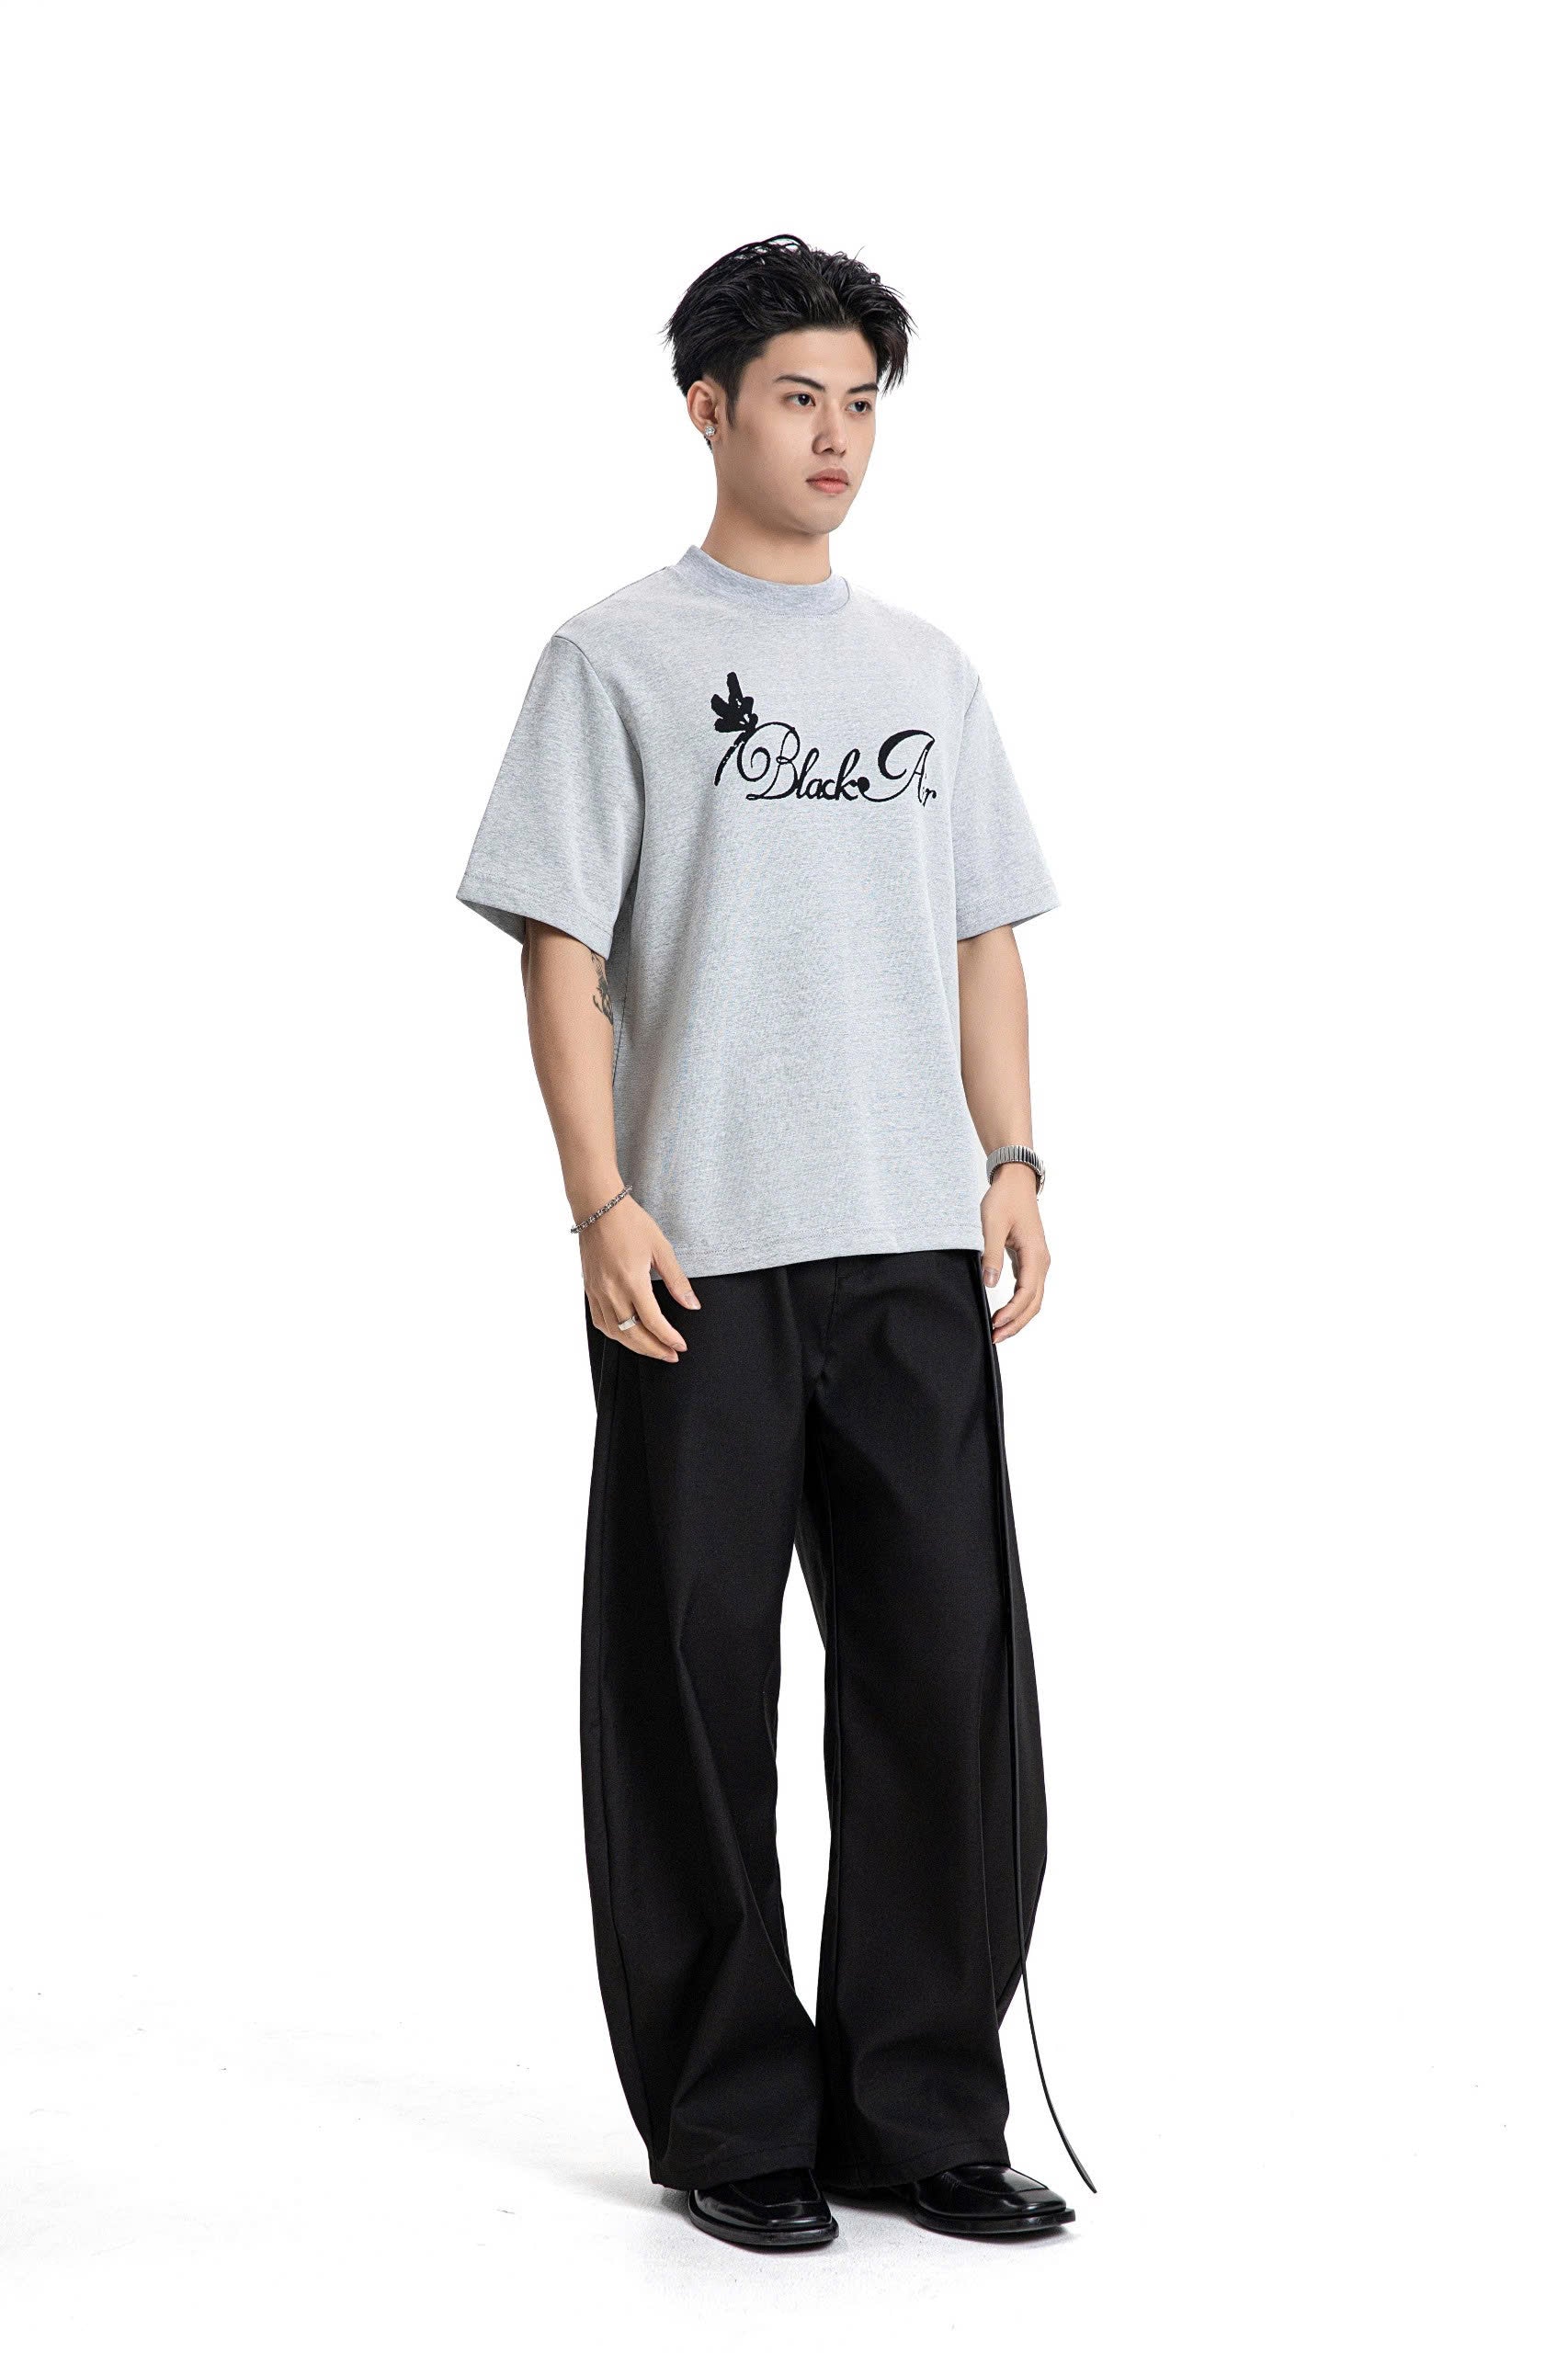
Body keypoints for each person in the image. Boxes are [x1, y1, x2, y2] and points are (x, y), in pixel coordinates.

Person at [455, 233, 1095, 2251]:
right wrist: (599, 1199)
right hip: (699, 1254)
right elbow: (561, 953)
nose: (836, 436)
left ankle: (917, 2112)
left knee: (941, 1682)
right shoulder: (613, 658)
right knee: (690, 1685)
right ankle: (733, 2118)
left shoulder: (926, 671)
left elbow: (983, 934)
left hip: (910, 1242)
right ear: (708, 408)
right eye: (799, 396)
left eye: (862, 402)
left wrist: (1014, 1157)